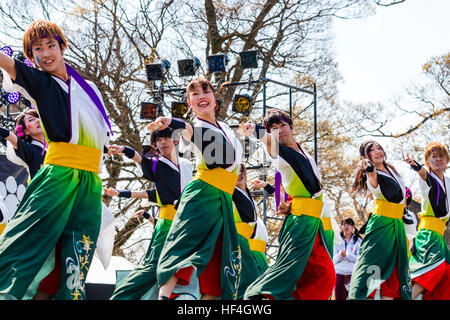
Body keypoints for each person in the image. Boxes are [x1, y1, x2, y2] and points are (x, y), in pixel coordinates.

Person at [0, 19, 111, 300]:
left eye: (51, 45)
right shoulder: (39, 82)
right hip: (59, 173)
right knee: (28, 241)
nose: (47, 53)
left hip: (89, 180)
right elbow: (8, 64)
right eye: (38, 48)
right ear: (31, 57)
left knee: (76, 252)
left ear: (62, 47)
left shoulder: (89, 88)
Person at [151, 76, 243, 300]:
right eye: (194, 94)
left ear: (214, 97)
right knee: (182, 246)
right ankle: (163, 297)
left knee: (222, 259)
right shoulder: (195, 126)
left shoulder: (226, 128)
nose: (201, 97)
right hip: (203, 194)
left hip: (223, 199)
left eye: (205, 91)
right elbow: (188, 129)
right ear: (189, 102)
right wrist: (171, 121)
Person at [241, 109, 335, 300]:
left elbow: (293, 188)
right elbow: (268, 141)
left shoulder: (303, 152)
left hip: (314, 223)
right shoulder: (278, 153)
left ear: (291, 126)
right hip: (300, 224)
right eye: (273, 128)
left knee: (321, 276)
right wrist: (257, 131)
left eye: (283, 125)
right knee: (289, 275)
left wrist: (284, 199)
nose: (280, 130)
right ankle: (255, 298)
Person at [107, 127, 193, 300]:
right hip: (167, 223)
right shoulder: (157, 164)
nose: (162, 142)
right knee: (152, 266)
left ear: (175, 140)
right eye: (158, 140)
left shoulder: (187, 165)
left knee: (176, 266)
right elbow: (141, 160)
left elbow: (154, 194)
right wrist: (125, 150)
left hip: (185, 225)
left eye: (165, 138)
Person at [348, 140, 411, 300]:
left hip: (397, 225)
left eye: (379, 148)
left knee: (395, 271)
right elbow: (372, 177)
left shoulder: (391, 169)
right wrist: (369, 169)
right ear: (366, 156)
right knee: (371, 267)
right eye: (372, 150)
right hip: (381, 224)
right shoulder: (373, 173)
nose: (378, 151)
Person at [405, 142, 450, 300]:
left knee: (447, 274)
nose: (438, 159)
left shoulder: (449, 182)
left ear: (447, 159)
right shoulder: (428, 178)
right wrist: (415, 166)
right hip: (428, 234)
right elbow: (423, 174)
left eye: (441, 156)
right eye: (434, 157)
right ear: (428, 161)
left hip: (438, 234)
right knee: (433, 269)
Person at [232, 164, 260, 299]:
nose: (240, 175)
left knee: (250, 280)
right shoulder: (230, 191)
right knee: (247, 280)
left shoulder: (247, 193)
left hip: (246, 243)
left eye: (242, 171)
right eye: (237, 172)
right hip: (236, 241)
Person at [333, 217, 362, 300]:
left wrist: (347, 255)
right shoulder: (337, 240)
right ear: (341, 227)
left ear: (353, 227)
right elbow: (333, 259)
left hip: (353, 275)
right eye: (344, 224)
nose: (346, 227)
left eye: (349, 225)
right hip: (339, 274)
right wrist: (340, 255)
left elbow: (359, 259)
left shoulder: (358, 240)